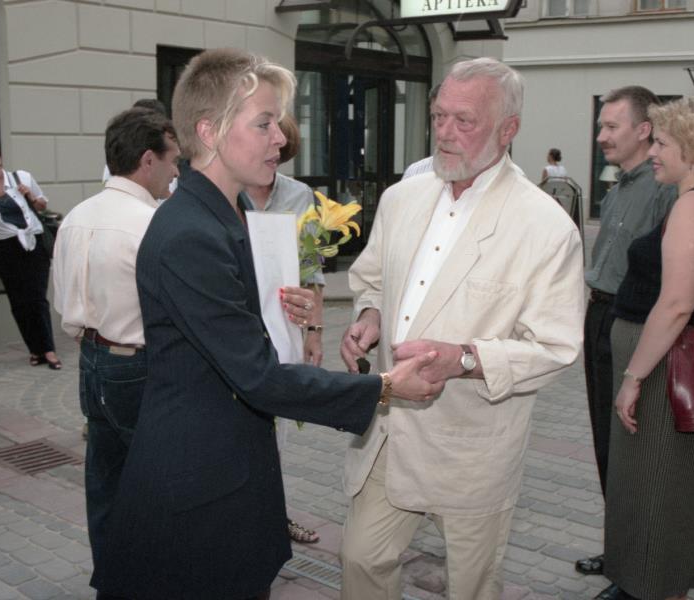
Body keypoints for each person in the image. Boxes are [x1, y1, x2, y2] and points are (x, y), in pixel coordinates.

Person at [91, 48, 441, 600]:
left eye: (277, 122)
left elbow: (230, 331)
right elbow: (256, 376)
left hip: (229, 469)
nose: (280, 138)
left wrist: (285, 313)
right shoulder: (189, 234)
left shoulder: (235, 213)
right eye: (264, 123)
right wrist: (385, 387)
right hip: (195, 489)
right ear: (209, 131)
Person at [338, 57, 585, 600]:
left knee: (471, 586)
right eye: (438, 116)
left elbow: (555, 347)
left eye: (464, 120)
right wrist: (368, 316)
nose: (445, 133)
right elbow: (372, 279)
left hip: (472, 446)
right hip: (390, 428)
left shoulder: (545, 227)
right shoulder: (402, 198)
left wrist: (466, 359)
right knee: (360, 558)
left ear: (508, 129)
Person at [604, 95, 694, 600]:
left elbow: (677, 304)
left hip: (662, 363)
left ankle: (654, 586)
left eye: (661, 143)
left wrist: (633, 378)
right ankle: (653, 582)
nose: (654, 152)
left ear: (692, 146)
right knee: (662, 480)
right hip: (665, 358)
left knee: (657, 482)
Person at [51, 106, 180, 591]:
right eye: (172, 159)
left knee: (105, 484)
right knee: (156, 486)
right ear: (148, 160)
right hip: (139, 365)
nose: (176, 171)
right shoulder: (152, 223)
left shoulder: (76, 216)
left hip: (91, 359)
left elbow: (61, 298)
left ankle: (113, 584)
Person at [577, 86, 678, 600]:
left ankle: (639, 567)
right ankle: (618, 550)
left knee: (633, 449)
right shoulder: (618, 188)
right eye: (601, 125)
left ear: (644, 130)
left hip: (632, 322)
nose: (601, 136)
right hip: (599, 315)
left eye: (611, 126)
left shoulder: (665, 191)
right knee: (606, 442)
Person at [240, 113, 325, 545]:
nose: (275, 158)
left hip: (285, 330)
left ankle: (273, 516)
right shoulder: (226, 191)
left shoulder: (299, 195)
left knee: (277, 435)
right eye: (269, 149)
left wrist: (315, 331)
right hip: (235, 333)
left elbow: (312, 268)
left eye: (281, 153)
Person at [0, 140, 62, 370]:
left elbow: (42, 205)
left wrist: (31, 196)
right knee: (19, 302)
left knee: (37, 298)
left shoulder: (21, 177)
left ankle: (48, 349)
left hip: (33, 243)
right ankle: (35, 350)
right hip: (6, 248)